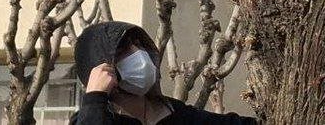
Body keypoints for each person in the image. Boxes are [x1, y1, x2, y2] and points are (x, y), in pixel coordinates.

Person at [71, 21, 256, 125]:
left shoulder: (175, 113)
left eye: (140, 44)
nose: (139, 53)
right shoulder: (89, 118)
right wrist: (95, 98)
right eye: (124, 50)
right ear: (100, 70)